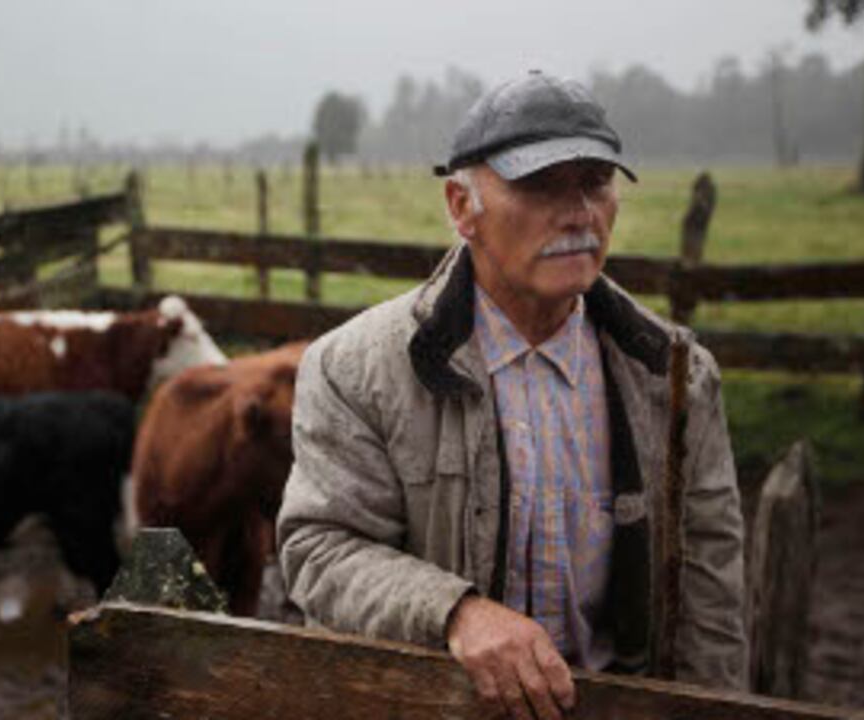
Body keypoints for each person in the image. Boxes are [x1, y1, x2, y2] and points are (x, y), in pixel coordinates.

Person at [276, 71, 747, 720]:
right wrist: (456, 612)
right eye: (541, 184)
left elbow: (709, 594)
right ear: (462, 206)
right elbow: (318, 549)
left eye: (595, 182)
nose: (579, 211)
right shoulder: (354, 369)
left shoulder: (674, 375)